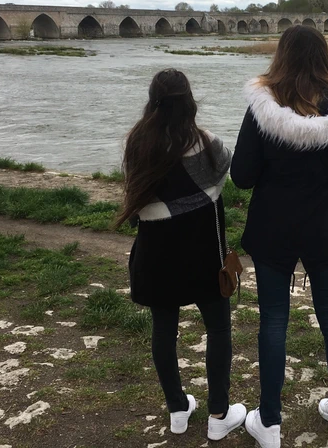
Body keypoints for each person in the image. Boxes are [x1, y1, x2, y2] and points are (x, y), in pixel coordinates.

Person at [230, 26, 328, 448]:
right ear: (323, 56)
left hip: (273, 228)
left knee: (273, 320)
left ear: (281, 55)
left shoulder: (264, 105)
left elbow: (242, 176)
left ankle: (269, 423)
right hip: (326, 228)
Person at [118, 69, 246, 441]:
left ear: (152, 101)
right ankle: (219, 415)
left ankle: (177, 409)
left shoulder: (137, 144)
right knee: (218, 329)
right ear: (189, 102)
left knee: (164, 331)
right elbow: (229, 170)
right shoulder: (206, 143)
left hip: (156, 257)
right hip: (205, 255)